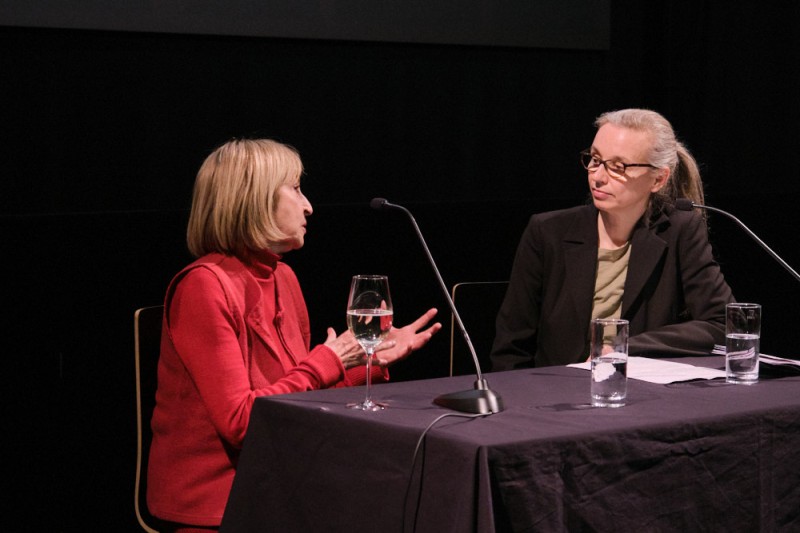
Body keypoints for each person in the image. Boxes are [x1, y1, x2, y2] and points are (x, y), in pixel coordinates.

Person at [146, 138, 442, 531]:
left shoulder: (282, 276)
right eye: (296, 188)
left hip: (281, 481)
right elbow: (241, 423)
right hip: (220, 504)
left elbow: (297, 397)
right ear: (255, 198)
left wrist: (368, 360)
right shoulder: (204, 286)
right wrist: (328, 360)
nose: (309, 206)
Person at [491, 108, 734, 370]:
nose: (598, 177)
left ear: (659, 179)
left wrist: (627, 345)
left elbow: (723, 323)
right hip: (556, 396)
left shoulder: (679, 230)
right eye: (595, 160)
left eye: (618, 166)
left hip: (643, 396)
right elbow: (510, 347)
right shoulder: (547, 231)